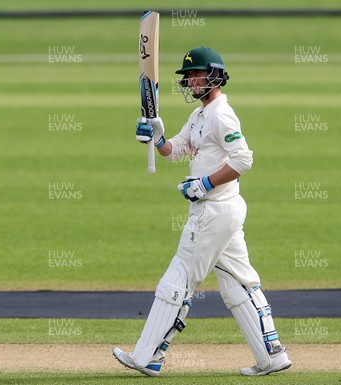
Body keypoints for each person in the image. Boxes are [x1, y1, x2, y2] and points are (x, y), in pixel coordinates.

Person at [112, 46, 291, 376]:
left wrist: (204, 184)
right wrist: (157, 135)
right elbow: (175, 151)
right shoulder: (198, 116)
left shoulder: (222, 115)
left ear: (216, 77)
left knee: (177, 280)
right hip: (224, 212)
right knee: (239, 284)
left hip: (214, 212)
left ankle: (148, 355)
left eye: (197, 74)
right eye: (188, 76)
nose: (192, 81)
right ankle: (271, 354)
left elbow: (243, 159)